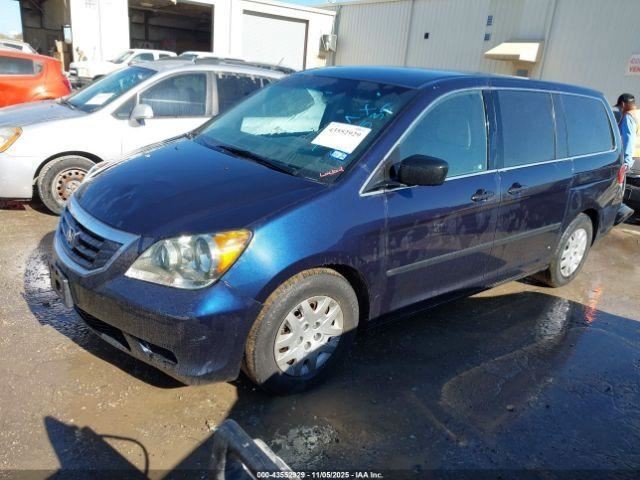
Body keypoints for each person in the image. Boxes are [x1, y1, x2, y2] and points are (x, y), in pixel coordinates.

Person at [616, 93, 640, 172]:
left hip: (634, 160)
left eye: (619, 107)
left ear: (622, 105)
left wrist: (627, 163)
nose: (619, 110)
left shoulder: (629, 117)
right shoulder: (638, 114)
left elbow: (629, 140)